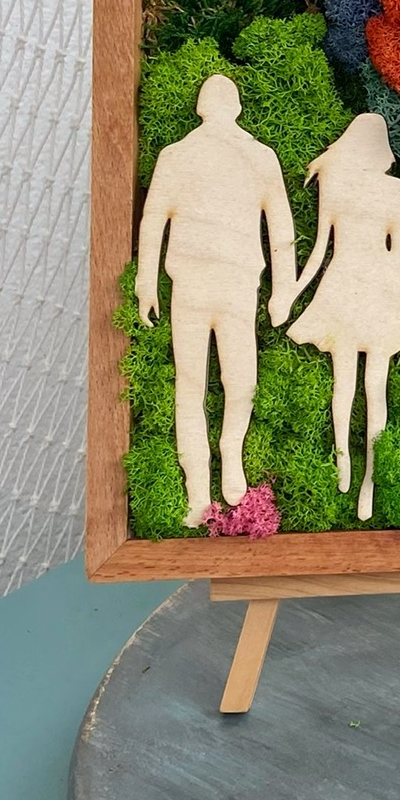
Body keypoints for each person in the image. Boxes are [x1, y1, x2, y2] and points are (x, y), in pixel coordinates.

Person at [136, 75, 297, 527]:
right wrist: (146, 281)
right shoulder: (179, 156)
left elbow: (280, 225)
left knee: (222, 382)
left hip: (230, 284)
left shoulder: (255, 157)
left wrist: (283, 289)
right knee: (210, 381)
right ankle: (199, 487)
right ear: (235, 107)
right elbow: (154, 219)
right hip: (201, 283)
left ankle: (227, 459)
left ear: (202, 107)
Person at [284, 112, 400, 521]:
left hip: (350, 287)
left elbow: (319, 251)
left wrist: (293, 292)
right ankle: (362, 478)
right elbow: (397, 254)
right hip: (376, 289)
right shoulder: (393, 190)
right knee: (373, 388)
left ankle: (351, 469)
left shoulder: (340, 185)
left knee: (349, 386)